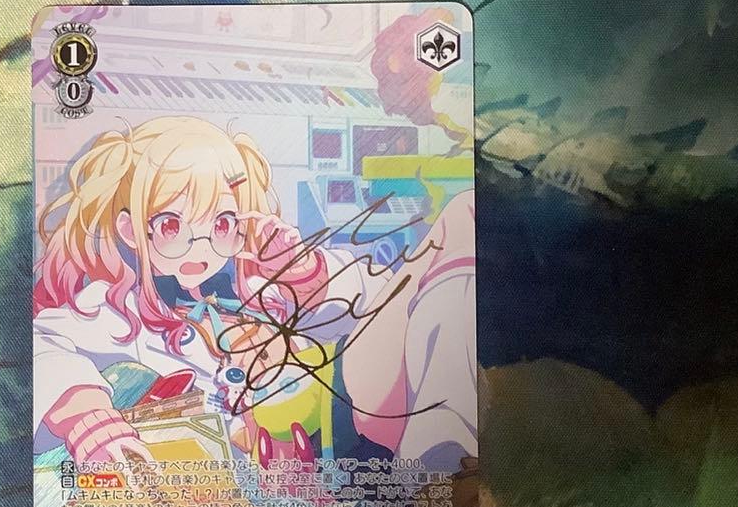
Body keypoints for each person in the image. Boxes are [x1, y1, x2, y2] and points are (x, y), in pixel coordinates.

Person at [32, 116, 476, 485]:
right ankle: (439, 467)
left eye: (222, 224)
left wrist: (304, 271)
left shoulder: (259, 284)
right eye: (171, 226)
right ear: (131, 231)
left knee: (465, 213)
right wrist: (89, 418)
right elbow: (44, 345)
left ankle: (444, 456)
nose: (201, 246)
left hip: (342, 411)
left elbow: (389, 304)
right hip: (285, 459)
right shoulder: (118, 310)